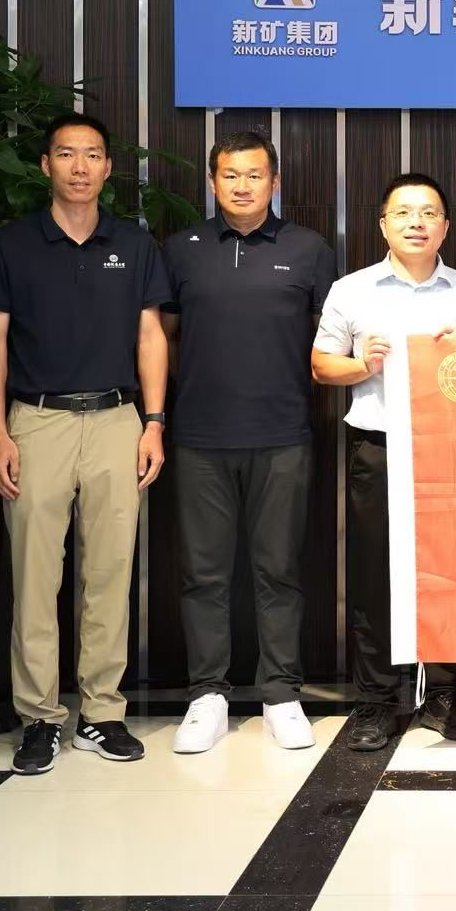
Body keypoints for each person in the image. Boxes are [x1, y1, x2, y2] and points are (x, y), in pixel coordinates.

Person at [0, 112, 171, 776]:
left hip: (118, 419)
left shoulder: (134, 243)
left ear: (108, 168)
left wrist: (153, 421)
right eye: (66, 154)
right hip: (37, 421)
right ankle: (38, 716)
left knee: (110, 573)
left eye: (92, 155)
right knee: (36, 575)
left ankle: (101, 712)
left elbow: (150, 335)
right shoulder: (12, 245)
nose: (80, 166)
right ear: (45, 165)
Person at [162, 131, 335, 755]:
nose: (242, 186)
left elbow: (326, 343)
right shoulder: (181, 250)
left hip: (283, 436)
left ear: (274, 181)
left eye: (254, 175)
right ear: (213, 182)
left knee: (279, 570)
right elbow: (165, 338)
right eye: (230, 175)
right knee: (203, 573)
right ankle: (207, 695)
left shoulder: (309, 249)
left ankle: (281, 695)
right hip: (200, 437)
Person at [313, 173, 456, 751]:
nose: (417, 223)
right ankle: (376, 700)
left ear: (445, 226)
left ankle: (447, 694)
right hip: (380, 445)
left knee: (452, 574)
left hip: (453, 450)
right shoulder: (352, 289)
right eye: (404, 213)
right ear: (383, 224)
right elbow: (321, 365)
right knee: (374, 577)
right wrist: (362, 365)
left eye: (429, 213)